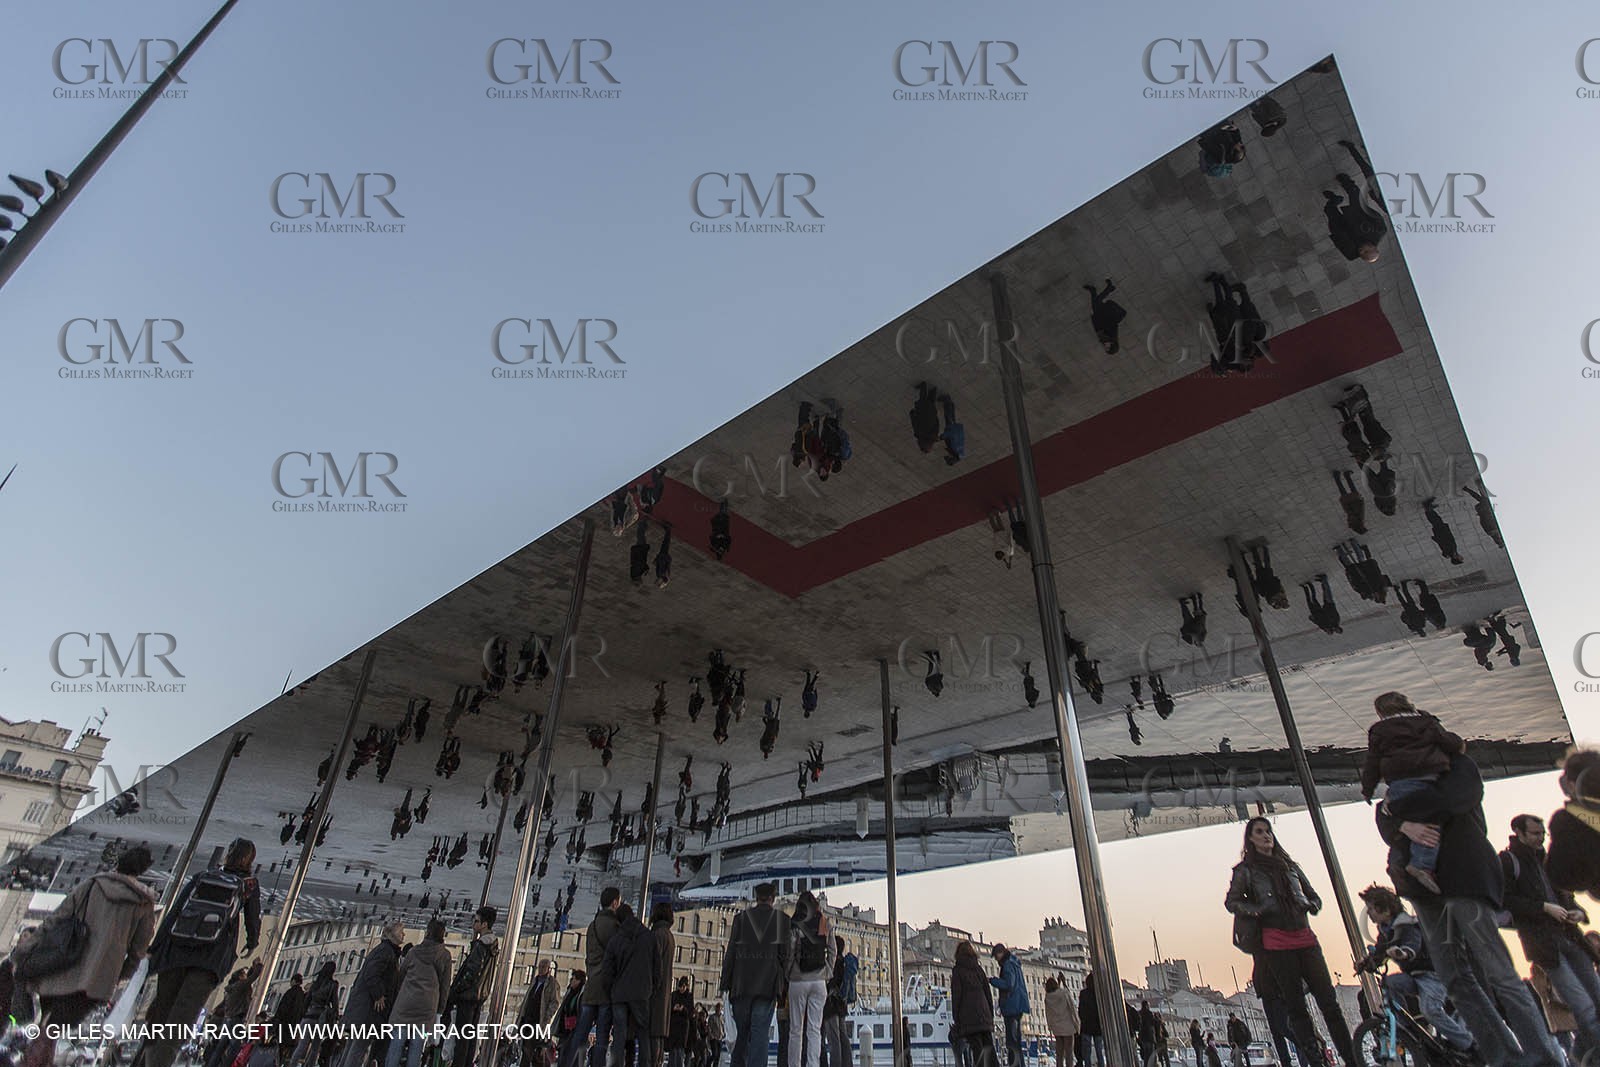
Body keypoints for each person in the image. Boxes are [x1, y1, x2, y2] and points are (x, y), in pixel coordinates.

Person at [1376, 752, 1565, 1067]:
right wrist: (1398, 820)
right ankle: (1502, 1056)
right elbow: (1384, 823)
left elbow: (1451, 800)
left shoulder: (1457, 766)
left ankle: (1542, 1058)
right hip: (1425, 891)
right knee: (1454, 977)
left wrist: (1400, 815)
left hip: (1465, 878)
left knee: (1499, 972)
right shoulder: (1400, 779)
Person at [1224, 818, 1356, 1067]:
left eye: (1268, 832)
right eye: (1260, 832)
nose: (1266, 836)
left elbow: (1313, 895)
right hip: (1276, 943)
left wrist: (1310, 905)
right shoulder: (1245, 870)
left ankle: (1350, 1058)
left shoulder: (1290, 866)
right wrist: (1259, 909)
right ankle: (1315, 1060)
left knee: (1329, 1002)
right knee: (1296, 1008)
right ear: (1250, 839)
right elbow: (1232, 902)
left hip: (1305, 938)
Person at [15, 845, 156, 1067]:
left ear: (120, 862)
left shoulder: (92, 885)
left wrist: (26, 948)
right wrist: (119, 976)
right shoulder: (143, 904)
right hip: (98, 980)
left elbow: (56, 918)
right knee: (52, 1029)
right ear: (142, 870)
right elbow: (138, 950)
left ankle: (31, 1062)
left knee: (49, 1027)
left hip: (63, 965)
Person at [142, 838, 261, 1067]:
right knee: (180, 1022)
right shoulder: (248, 885)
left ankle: (142, 1061)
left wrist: (156, 948)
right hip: (210, 958)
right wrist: (252, 943)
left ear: (229, 853)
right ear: (250, 860)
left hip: (176, 951)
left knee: (159, 1015)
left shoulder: (204, 876)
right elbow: (252, 923)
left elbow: (176, 910)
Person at [1499, 814, 1600, 1054]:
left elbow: (1568, 894)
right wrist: (1544, 908)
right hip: (1544, 944)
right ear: (1519, 833)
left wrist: (1577, 912)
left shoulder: (1547, 859)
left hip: (1570, 936)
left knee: (1595, 998)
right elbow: (1505, 900)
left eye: (1543, 833)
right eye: (1535, 833)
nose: (1541, 838)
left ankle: (1581, 1056)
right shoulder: (1508, 861)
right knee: (1582, 1005)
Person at [1360, 691, 1467, 894]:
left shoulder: (1379, 730)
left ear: (1380, 712)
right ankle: (1422, 864)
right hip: (1428, 779)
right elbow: (1449, 741)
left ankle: (1416, 867)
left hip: (1400, 783)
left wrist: (1367, 788)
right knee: (1431, 822)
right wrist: (1457, 747)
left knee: (1418, 823)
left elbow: (1372, 763)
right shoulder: (1427, 723)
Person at [1355, 884, 1473, 1054]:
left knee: (1430, 1010)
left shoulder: (1407, 925)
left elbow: (1413, 944)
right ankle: (1406, 1027)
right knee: (1389, 982)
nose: (1368, 913)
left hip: (1433, 975)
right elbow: (1380, 951)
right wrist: (1366, 962)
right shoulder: (1386, 930)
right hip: (1414, 976)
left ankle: (1467, 1045)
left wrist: (1404, 953)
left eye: (1372, 908)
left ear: (1386, 910)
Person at [722, 884, 790, 1067]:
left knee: (741, 1036)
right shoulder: (782, 920)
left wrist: (724, 984)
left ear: (756, 897)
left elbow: (731, 953)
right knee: (760, 1036)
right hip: (766, 988)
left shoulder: (740, 919)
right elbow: (785, 957)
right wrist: (784, 986)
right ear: (773, 898)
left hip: (740, 987)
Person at [386, 920, 452, 1067]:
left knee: (397, 1040)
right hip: (427, 1008)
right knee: (417, 1044)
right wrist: (439, 1012)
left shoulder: (414, 951)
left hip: (406, 1003)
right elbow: (445, 987)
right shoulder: (445, 956)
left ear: (428, 932)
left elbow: (401, 974)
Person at [337, 921, 403, 1067]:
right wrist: (379, 995)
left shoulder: (382, 950)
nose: (403, 934)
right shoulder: (386, 951)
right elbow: (372, 974)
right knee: (358, 1048)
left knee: (352, 1047)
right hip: (369, 1011)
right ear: (391, 935)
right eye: (400, 931)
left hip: (362, 1009)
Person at [569, 889, 623, 1067]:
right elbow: (618, 955)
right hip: (606, 988)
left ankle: (571, 1063)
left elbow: (589, 956)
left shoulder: (592, 925)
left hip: (591, 986)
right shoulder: (615, 926)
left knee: (580, 1033)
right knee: (601, 1037)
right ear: (615, 903)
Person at [604, 903, 659, 1067]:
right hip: (642, 993)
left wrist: (611, 991)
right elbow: (658, 968)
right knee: (643, 1034)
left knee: (619, 1035)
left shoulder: (616, 939)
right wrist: (651, 989)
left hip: (620, 993)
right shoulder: (649, 937)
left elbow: (607, 970)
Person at [445, 906, 500, 1067]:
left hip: (468, 996)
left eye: (476, 921)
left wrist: (457, 989)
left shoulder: (482, 945)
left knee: (462, 1038)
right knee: (470, 1038)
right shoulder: (491, 946)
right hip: (479, 997)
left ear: (484, 924)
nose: (473, 924)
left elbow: (472, 971)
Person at [786, 892, 835, 1067]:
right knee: (814, 1029)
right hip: (819, 981)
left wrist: (789, 972)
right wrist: (827, 972)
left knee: (795, 1030)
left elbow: (790, 951)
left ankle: (794, 1064)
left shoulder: (795, 923)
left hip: (798, 979)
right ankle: (813, 1064)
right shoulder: (824, 922)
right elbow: (832, 950)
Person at [287, 962, 340, 1067]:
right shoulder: (333, 984)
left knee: (302, 1045)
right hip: (320, 1018)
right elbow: (335, 1003)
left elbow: (306, 1002)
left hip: (308, 1016)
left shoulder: (315, 984)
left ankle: (292, 1064)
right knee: (315, 1047)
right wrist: (335, 1017)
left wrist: (303, 1015)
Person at [950, 941, 995, 1067]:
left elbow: (956, 996)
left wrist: (956, 1018)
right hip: (984, 1015)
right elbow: (987, 993)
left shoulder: (958, 971)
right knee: (989, 1049)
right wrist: (990, 1015)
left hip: (969, 1017)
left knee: (977, 1050)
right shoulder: (979, 969)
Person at [988, 944, 1029, 1067]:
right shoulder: (1014, 963)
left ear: (1000, 953)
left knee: (1011, 1042)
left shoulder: (1007, 965)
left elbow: (1008, 984)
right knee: (1016, 1041)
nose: (996, 960)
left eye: (996, 956)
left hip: (1011, 1006)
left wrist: (993, 980)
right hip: (1018, 1005)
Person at [1529, 963, 1579, 1058]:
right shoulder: (1538, 968)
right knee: (1571, 1049)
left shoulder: (1537, 968)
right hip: (1559, 1012)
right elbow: (1544, 991)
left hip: (1560, 1014)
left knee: (1571, 1048)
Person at [650, 905, 678, 1067]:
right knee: (658, 1039)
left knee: (652, 1040)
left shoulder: (658, 935)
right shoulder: (668, 935)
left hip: (655, 996)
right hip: (664, 997)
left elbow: (654, 966)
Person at [522, 960, 562, 1067]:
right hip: (528, 1019)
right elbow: (527, 999)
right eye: (540, 966)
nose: (541, 969)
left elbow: (555, 1002)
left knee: (534, 1050)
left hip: (539, 1021)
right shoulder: (535, 981)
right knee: (526, 1049)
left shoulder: (552, 983)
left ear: (549, 969)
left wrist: (547, 1017)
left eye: (544, 967)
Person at [821, 938, 849, 1067]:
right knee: (843, 1037)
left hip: (831, 1004)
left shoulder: (833, 963)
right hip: (842, 1005)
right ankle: (847, 1064)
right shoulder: (844, 962)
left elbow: (830, 982)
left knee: (833, 1039)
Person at [273, 974, 308, 1066]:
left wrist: (275, 1022)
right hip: (295, 1026)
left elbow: (282, 1009)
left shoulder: (290, 992)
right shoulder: (302, 995)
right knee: (289, 1051)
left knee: (279, 1048)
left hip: (284, 1025)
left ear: (293, 981)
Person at [1083, 280, 1126, 355]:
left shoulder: (1103, 340)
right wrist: (1099, 313)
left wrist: (1092, 316)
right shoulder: (1112, 335)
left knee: (1095, 302)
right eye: (1107, 347)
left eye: (1105, 349)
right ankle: (1108, 288)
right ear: (1112, 344)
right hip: (1106, 314)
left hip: (1099, 316)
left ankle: (1096, 290)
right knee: (1097, 301)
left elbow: (1096, 328)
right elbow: (1111, 322)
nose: (1105, 347)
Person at [1041, 980, 1075, 1067]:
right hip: (1068, 1027)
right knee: (1069, 1053)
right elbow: (1072, 1007)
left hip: (1057, 1028)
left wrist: (1050, 1026)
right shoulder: (1064, 994)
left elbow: (1048, 1013)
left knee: (1059, 1053)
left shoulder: (1047, 998)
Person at [1075, 975, 1103, 1067]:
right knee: (1099, 1051)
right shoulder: (1099, 993)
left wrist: (1082, 1020)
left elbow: (1081, 1010)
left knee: (1087, 1052)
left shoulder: (1083, 994)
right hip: (1097, 1026)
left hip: (1086, 1026)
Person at [909, 383, 940, 453]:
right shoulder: (920, 435)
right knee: (922, 399)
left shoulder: (933, 437)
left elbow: (937, 426)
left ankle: (933, 390)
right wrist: (912, 414)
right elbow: (915, 423)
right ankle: (923, 386)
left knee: (931, 402)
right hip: (922, 414)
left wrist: (936, 418)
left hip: (931, 416)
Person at [939, 394, 965, 466]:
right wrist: (943, 436)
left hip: (957, 430)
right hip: (953, 429)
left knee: (952, 417)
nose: (948, 455)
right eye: (948, 457)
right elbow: (952, 434)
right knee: (948, 416)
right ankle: (947, 400)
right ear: (952, 457)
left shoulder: (959, 454)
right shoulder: (954, 448)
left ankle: (951, 404)